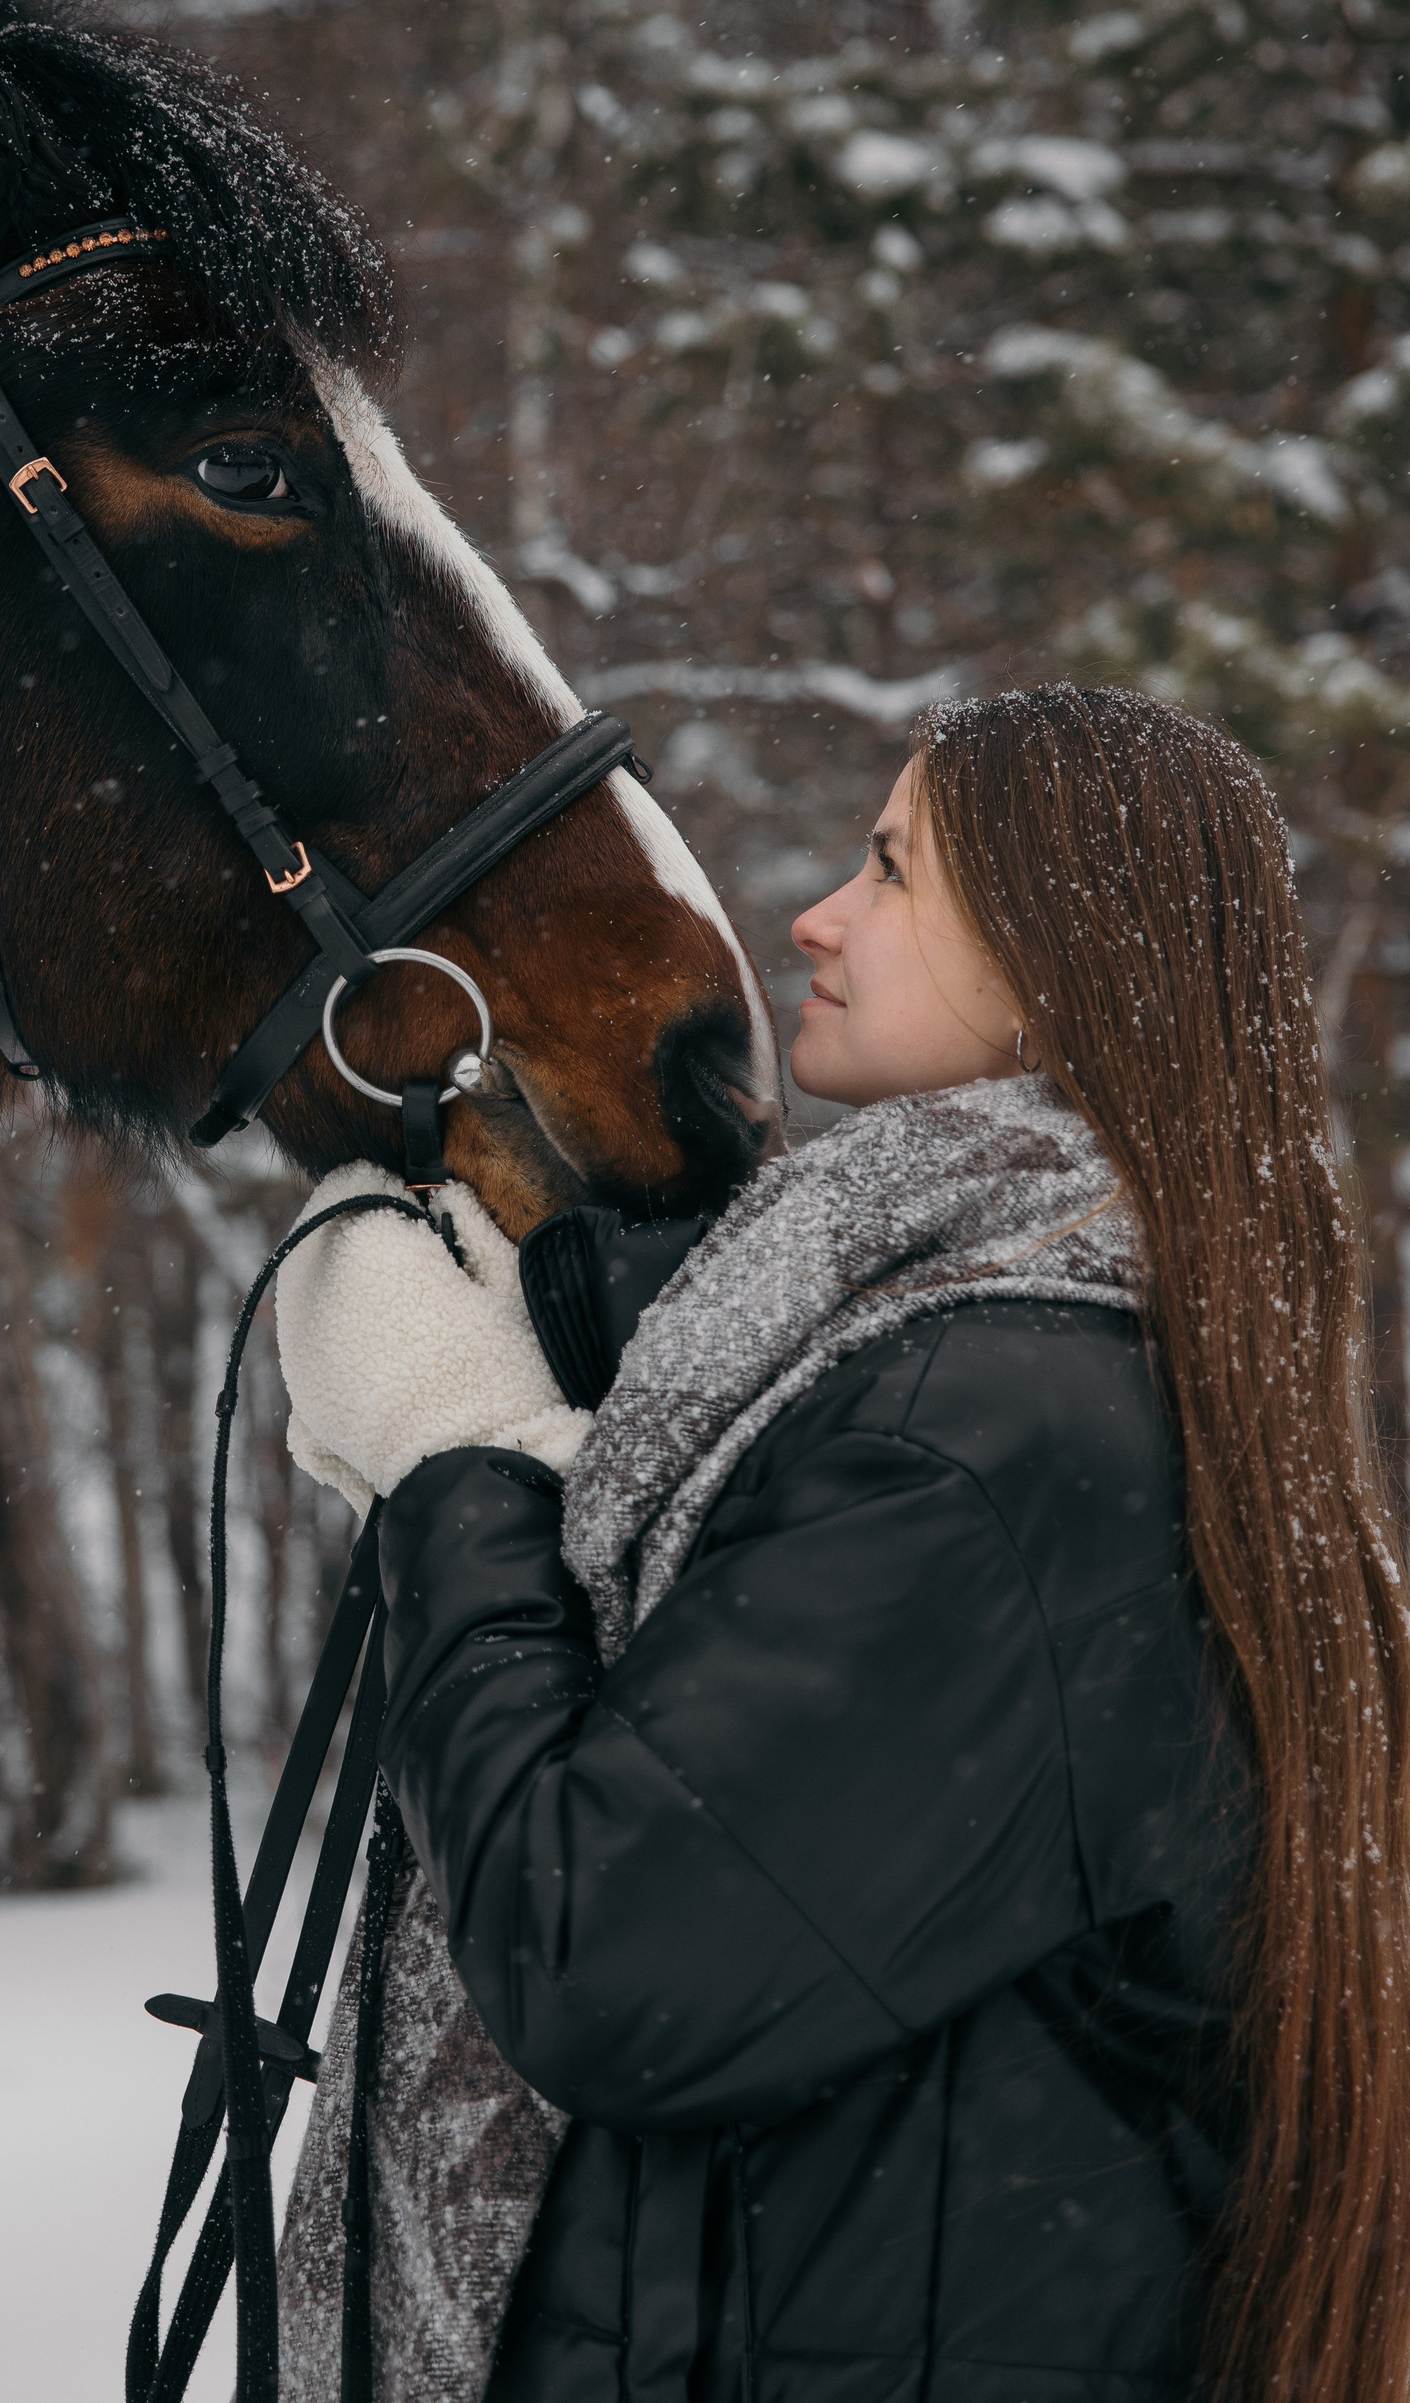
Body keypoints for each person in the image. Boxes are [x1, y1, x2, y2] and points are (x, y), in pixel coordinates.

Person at [270, 683, 1410, 2403]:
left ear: (1058, 956)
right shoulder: (1068, 1369)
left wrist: (451, 1455)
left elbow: (602, 1958)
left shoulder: (994, 1434)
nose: (814, 915)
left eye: (891, 870)